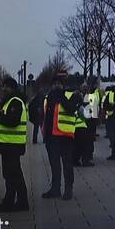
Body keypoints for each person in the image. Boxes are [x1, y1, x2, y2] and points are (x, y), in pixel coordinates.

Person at [42, 70, 82, 200]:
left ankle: (68, 189)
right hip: (51, 136)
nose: (56, 86)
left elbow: (71, 108)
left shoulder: (70, 95)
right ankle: (55, 189)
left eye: (59, 84)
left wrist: (61, 97)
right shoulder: (49, 97)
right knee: (54, 164)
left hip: (65, 135)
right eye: (54, 84)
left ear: (63, 85)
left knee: (67, 164)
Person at [0, 76, 30, 211]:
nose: (3, 89)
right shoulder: (9, 102)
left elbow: (13, 121)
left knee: (13, 175)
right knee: (12, 174)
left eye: (6, 87)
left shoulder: (15, 102)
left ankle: (15, 202)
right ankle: (17, 201)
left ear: (12, 89)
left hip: (12, 145)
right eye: (3, 86)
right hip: (8, 145)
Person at [76, 75, 100, 167]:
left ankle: (83, 158)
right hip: (86, 123)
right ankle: (86, 159)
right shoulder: (89, 97)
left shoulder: (79, 97)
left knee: (85, 143)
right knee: (87, 143)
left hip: (84, 124)